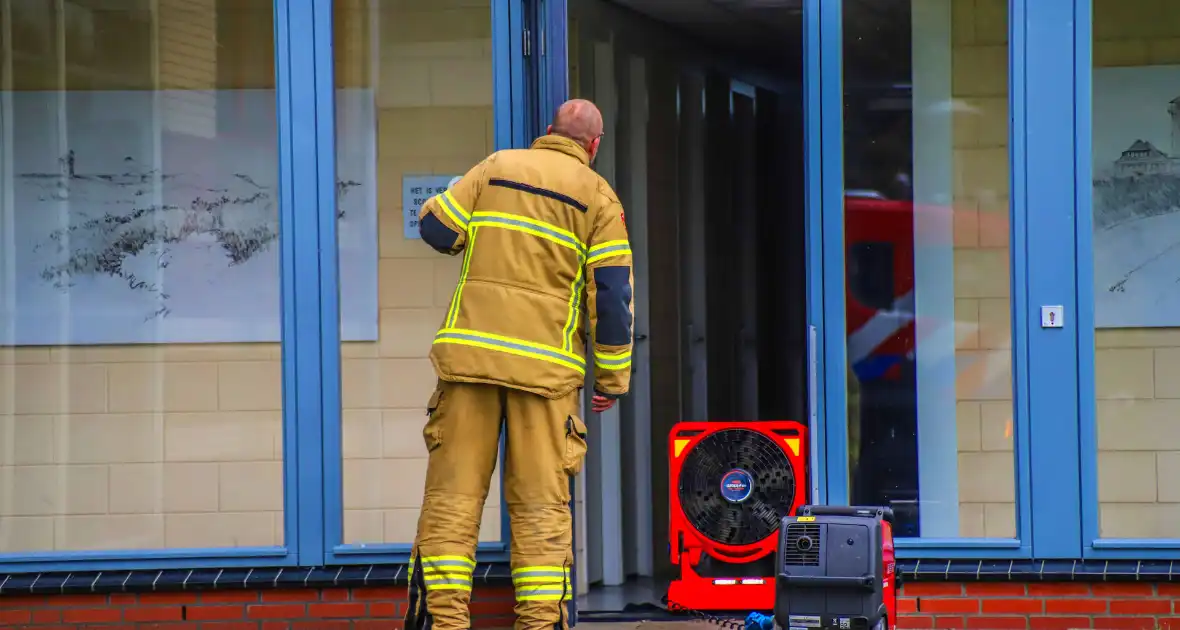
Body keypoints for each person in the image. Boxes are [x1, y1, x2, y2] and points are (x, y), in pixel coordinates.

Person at [405, 99, 634, 630]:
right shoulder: (598, 197)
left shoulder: (496, 167)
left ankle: (445, 623)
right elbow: (614, 297)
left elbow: (438, 231)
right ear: (593, 146)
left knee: (452, 505)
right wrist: (611, 379)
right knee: (539, 512)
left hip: (469, 368)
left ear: (545, 132)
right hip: (545, 378)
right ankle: (537, 624)